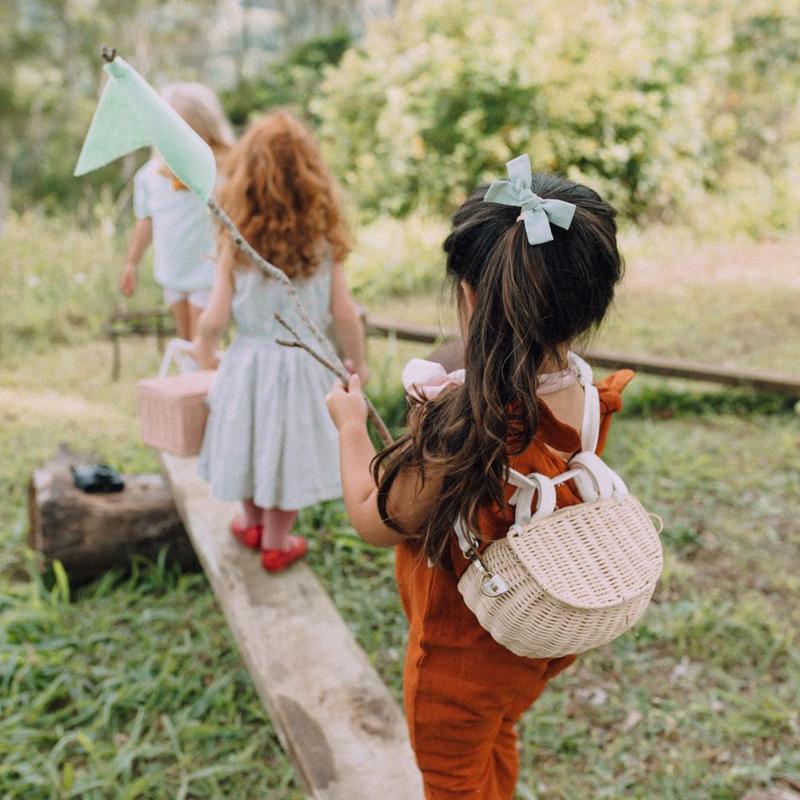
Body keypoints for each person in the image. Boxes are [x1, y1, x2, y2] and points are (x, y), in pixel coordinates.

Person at [326, 155, 634, 798]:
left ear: (469, 296)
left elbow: (373, 520)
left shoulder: (467, 426)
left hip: (462, 654)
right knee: (498, 734)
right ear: (589, 304)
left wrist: (352, 426)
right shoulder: (583, 389)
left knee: (453, 780)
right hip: (540, 640)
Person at [191, 111, 368, 573]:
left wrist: (204, 351)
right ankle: (276, 539)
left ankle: (251, 524)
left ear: (245, 177)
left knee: (247, 440)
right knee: (287, 451)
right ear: (311, 178)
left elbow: (214, 315)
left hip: (247, 363)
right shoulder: (321, 241)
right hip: (301, 364)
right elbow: (343, 313)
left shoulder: (237, 239)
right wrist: (357, 362)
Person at [120, 82, 235, 340]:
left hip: (208, 273)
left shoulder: (222, 170)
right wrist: (131, 263)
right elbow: (145, 221)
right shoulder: (149, 176)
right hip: (173, 271)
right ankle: (189, 375)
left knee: (203, 343)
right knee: (185, 340)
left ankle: (201, 376)